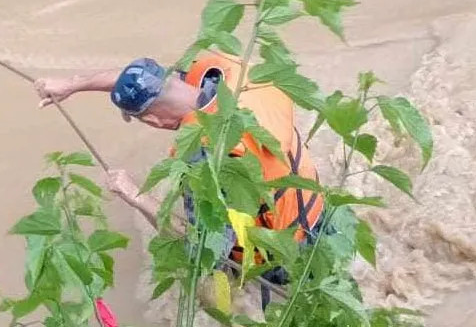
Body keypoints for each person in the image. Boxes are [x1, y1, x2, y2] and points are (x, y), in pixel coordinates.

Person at [35, 50, 325, 305]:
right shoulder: (225, 72)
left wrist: (135, 195)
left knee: (206, 281)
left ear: (153, 121)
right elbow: (140, 77)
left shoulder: (205, 157)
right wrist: (72, 86)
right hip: (314, 208)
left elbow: (198, 247)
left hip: (285, 256)